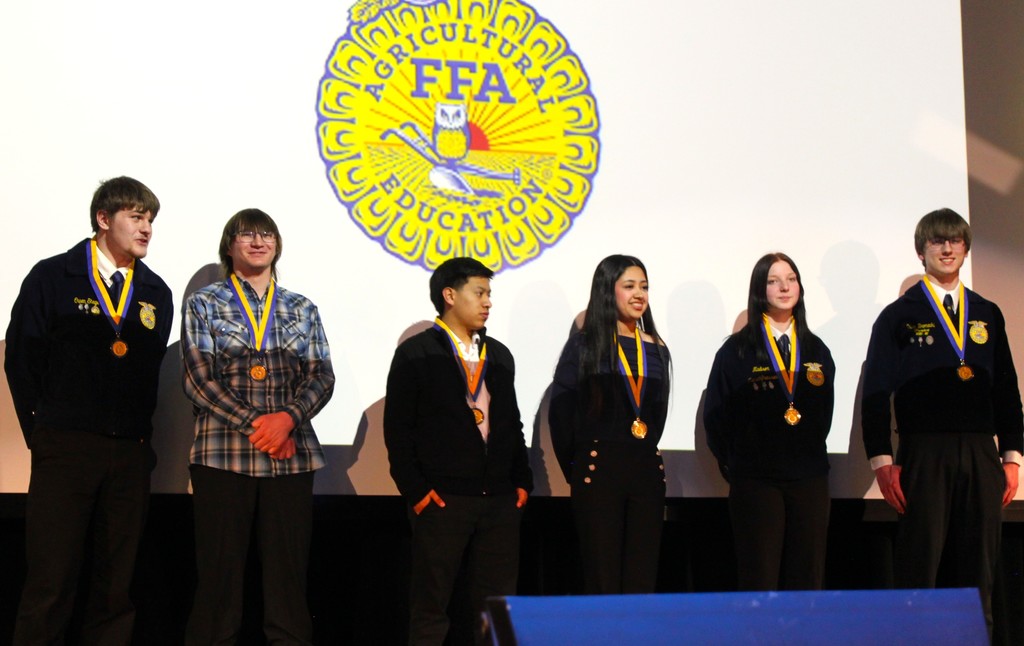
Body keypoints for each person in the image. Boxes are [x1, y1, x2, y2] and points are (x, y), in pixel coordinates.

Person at [5, 176, 171, 644]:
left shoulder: (156, 291)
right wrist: (43, 432)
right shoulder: (53, 276)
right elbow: (22, 357)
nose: (147, 229)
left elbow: (148, 368)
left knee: (116, 589)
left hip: (131, 455)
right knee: (50, 583)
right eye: (136, 217)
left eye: (151, 219)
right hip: (66, 449)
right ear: (103, 219)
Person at [861, 208, 1022, 630]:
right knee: (919, 568)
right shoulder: (898, 316)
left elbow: (1006, 389)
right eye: (937, 241)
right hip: (923, 453)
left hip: (980, 452)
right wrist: (882, 461)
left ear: (966, 248)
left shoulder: (987, 312)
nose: (946, 248)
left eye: (954, 240)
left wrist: (1012, 456)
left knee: (979, 574)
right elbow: (876, 392)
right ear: (921, 251)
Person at [181, 208, 335, 645]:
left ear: (277, 245)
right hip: (222, 457)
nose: (257, 241)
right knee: (218, 586)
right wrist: (261, 427)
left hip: (291, 460)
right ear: (229, 246)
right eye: (246, 234)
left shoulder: (302, 307)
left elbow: (322, 375)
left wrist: (287, 420)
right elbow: (197, 378)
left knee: (288, 587)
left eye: (266, 234)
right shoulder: (204, 303)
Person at [383, 257, 532, 645]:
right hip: (442, 500)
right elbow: (398, 430)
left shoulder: (499, 355)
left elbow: (511, 423)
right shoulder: (417, 353)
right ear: (450, 295)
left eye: (489, 294)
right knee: (432, 608)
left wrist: (521, 481)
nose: (487, 302)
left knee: (496, 610)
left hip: (499, 500)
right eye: (479, 293)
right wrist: (416, 491)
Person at [704, 252, 835, 591]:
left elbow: (824, 416)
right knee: (759, 579)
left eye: (791, 279)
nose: (784, 287)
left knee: (807, 580)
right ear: (759, 290)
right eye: (773, 280)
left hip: (809, 481)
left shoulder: (817, 350)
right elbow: (717, 419)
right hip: (756, 484)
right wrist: (741, 463)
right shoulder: (735, 352)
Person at [549, 254, 672, 594]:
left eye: (644, 287)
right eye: (629, 286)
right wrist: (578, 470)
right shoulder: (586, 345)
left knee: (641, 581)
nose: (639, 295)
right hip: (599, 471)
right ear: (607, 291)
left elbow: (656, 417)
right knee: (602, 580)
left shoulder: (658, 348)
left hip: (646, 471)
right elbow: (561, 416)